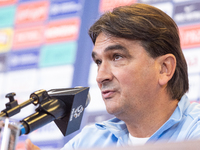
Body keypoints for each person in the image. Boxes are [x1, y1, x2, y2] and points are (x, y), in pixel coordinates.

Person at [25, 3, 200, 150]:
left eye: (117, 57)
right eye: (99, 62)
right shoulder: (88, 142)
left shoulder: (195, 131)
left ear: (164, 68)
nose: (101, 77)